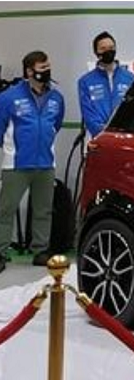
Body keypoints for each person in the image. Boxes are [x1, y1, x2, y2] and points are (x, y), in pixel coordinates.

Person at [0, 51, 64, 272]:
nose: (47, 71)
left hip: (46, 163)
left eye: (48, 66)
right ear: (29, 71)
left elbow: (56, 125)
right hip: (16, 164)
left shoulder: (56, 98)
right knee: (5, 209)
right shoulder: (8, 97)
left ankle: (40, 250)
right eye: (42, 67)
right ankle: (0, 252)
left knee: (43, 210)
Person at [77, 31, 134, 138]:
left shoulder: (130, 78)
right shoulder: (85, 81)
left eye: (111, 47)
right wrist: (102, 133)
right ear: (96, 52)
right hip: (100, 138)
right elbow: (88, 113)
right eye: (103, 49)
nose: (108, 51)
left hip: (125, 136)